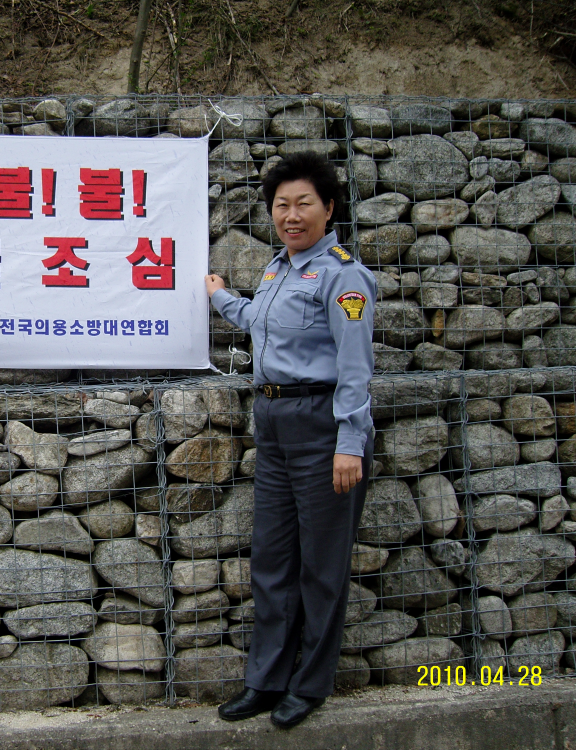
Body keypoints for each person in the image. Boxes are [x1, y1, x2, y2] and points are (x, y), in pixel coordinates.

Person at [205, 151, 376, 729]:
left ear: (329, 208)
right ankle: (266, 679)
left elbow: (355, 366)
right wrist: (220, 297)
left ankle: (309, 685)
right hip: (274, 422)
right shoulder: (279, 269)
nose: (292, 215)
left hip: (323, 425)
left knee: (322, 565)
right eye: (282, 205)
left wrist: (349, 440)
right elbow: (261, 322)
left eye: (304, 203)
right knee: (273, 558)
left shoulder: (343, 275)